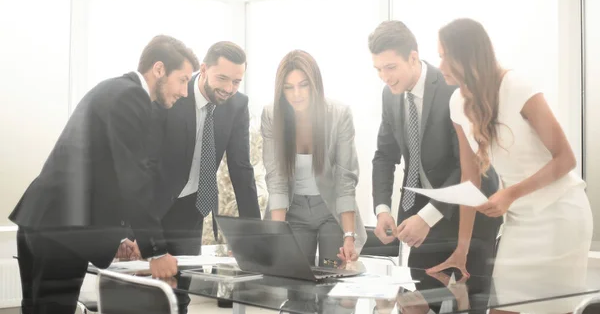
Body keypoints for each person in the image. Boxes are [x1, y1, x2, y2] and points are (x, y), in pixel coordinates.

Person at [9, 34, 198, 314]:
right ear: (159, 69)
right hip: (62, 231)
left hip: (42, 222)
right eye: (183, 80)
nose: (185, 92)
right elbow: (134, 179)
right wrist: (156, 250)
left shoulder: (112, 90)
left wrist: (120, 238)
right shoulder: (132, 97)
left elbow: (102, 177)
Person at [436, 17, 593, 314]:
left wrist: (511, 194)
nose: (440, 65)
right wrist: (461, 248)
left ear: (468, 57)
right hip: (519, 223)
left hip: (559, 215)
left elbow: (565, 158)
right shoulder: (457, 103)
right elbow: (470, 179)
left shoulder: (517, 88)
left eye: (446, 56)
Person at [368, 21, 501, 311]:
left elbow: (466, 166)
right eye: (378, 69)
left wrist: (427, 216)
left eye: (390, 67)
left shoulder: (452, 88)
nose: (384, 78)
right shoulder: (390, 96)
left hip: (472, 212)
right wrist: (382, 210)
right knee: (414, 304)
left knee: (468, 306)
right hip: (424, 217)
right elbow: (384, 155)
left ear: (413, 57)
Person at [147, 41, 261, 313]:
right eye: (223, 78)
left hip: (191, 208)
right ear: (204, 69)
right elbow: (144, 164)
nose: (229, 89)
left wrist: (252, 235)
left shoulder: (237, 105)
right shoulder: (174, 92)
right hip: (152, 207)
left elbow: (241, 169)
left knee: (181, 293)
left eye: (236, 81)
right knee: (145, 291)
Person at [261, 50, 367, 265]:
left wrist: (349, 236)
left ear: (315, 84)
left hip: (331, 209)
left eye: (303, 85)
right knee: (296, 282)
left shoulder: (339, 114)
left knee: (332, 281)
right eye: (288, 87)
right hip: (294, 210)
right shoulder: (272, 115)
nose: (296, 94)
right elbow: (276, 180)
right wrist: (278, 234)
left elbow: (345, 180)